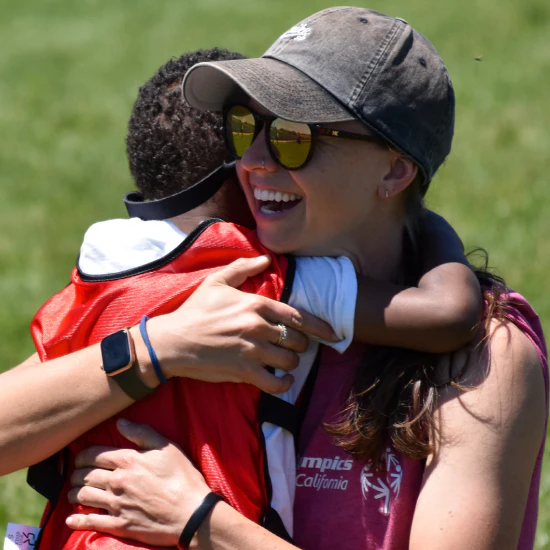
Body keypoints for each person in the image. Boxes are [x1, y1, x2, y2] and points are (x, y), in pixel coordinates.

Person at [64, 7, 547, 550]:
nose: (255, 161)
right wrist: (153, 350)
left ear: (394, 170)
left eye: (295, 137)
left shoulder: (483, 359)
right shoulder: (222, 286)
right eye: (246, 128)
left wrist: (200, 521)